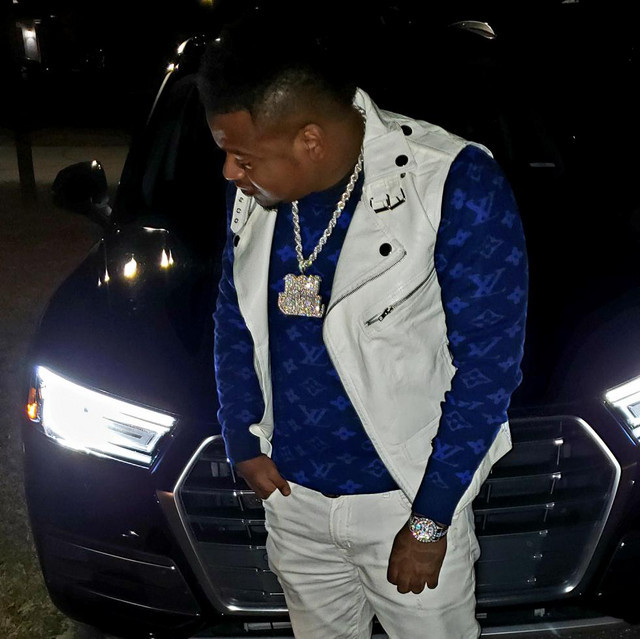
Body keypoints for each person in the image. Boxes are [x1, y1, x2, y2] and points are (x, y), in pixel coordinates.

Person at [198, 10, 527, 639]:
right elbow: (233, 313)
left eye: (242, 157)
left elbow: (488, 369)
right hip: (294, 501)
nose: (230, 173)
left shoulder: (451, 181)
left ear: (310, 141)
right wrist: (242, 434)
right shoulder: (258, 192)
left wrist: (430, 520)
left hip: (405, 500)